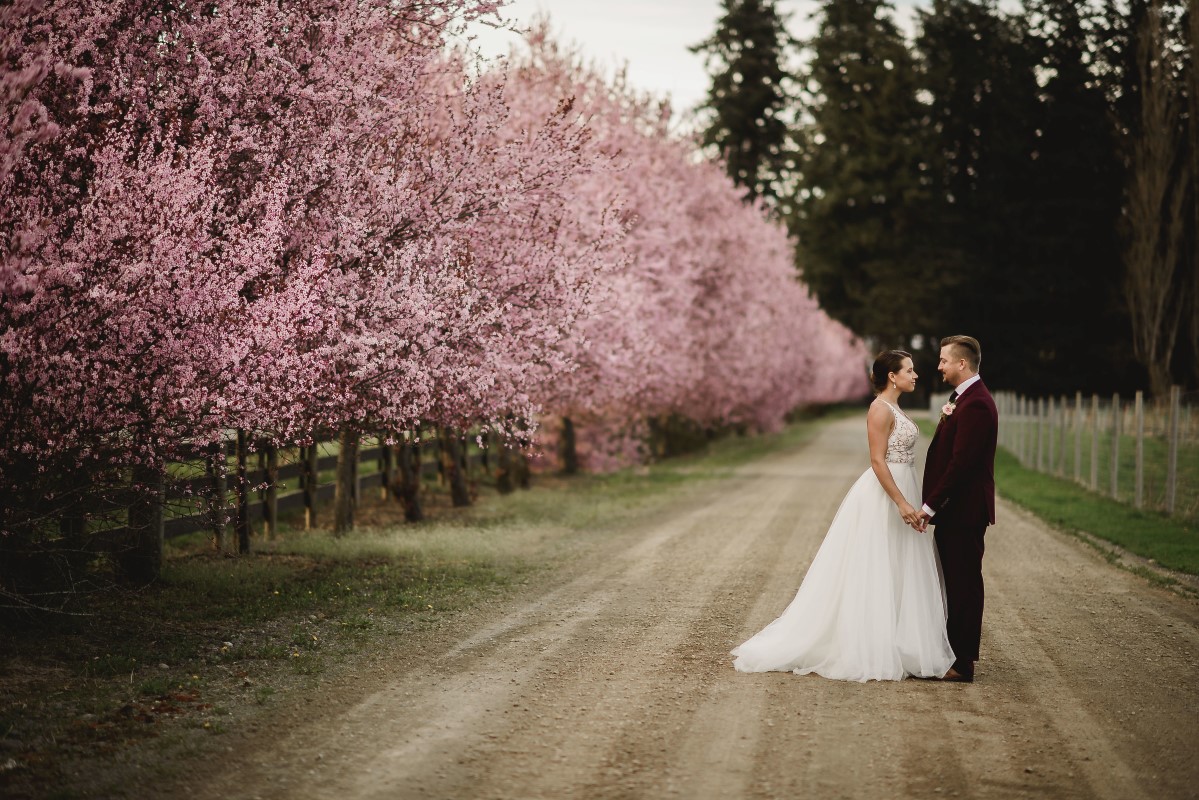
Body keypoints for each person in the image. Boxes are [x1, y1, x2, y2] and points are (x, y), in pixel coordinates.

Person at [731, 350, 955, 682]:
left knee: (898, 565)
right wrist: (901, 503)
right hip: (886, 492)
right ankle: (869, 644)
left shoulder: (894, 408)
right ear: (892, 376)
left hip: (905, 482)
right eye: (909, 370)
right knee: (877, 564)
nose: (916, 375)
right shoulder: (879, 410)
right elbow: (878, 461)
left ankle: (898, 641)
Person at [913, 335, 998, 683]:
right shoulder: (962, 398)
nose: (939, 366)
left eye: (944, 360)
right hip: (956, 511)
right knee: (954, 581)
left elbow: (962, 464)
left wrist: (931, 505)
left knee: (964, 583)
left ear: (961, 364)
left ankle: (963, 663)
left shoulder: (976, 403)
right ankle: (952, 653)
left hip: (963, 511)